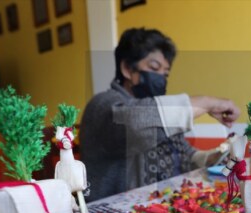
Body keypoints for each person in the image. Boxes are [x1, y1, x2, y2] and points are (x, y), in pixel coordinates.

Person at [80, 28, 240, 202]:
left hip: (163, 209)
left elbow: (186, 155)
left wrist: (217, 156)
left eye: (165, 74)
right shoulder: (102, 105)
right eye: (154, 68)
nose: (161, 79)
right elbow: (135, 123)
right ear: (127, 68)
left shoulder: (159, 112)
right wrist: (207, 102)